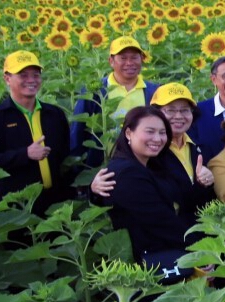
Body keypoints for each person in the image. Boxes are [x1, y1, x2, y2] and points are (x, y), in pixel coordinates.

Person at [92, 83, 215, 227]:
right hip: (173, 236)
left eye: (185, 110)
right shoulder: (150, 151)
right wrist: (95, 191)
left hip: (203, 230)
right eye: (170, 110)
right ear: (155, 113)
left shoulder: (201, 147)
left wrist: (208, 182)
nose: (179, 116)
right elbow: (128, 188)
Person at [0, 50, 75, 217]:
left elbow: (65, 155)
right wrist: (25, 154)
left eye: (36, 75)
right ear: (7, 79)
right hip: (16, 206)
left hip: (55, 202)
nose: (31, 80)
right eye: (23, 75)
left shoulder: (54, 114)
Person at [103, 106, 199, 268]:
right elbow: (161, 222)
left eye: (162, 133)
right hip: (147, 261)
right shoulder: (128, 173)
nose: (157, 139)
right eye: (150, 131)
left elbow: (183, 196)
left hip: (163, 250)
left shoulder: (152, 163)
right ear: (128, 133)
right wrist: (199, 250)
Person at [71, 36, 160, 168]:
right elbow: (78, 132)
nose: (129, 63)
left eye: (134, 57)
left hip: (145, 166)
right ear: (111, 61)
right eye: (123, 58)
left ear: (142, 59)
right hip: (103, 165)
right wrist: (77, 172)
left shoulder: (154, 91)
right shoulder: (96, 92)